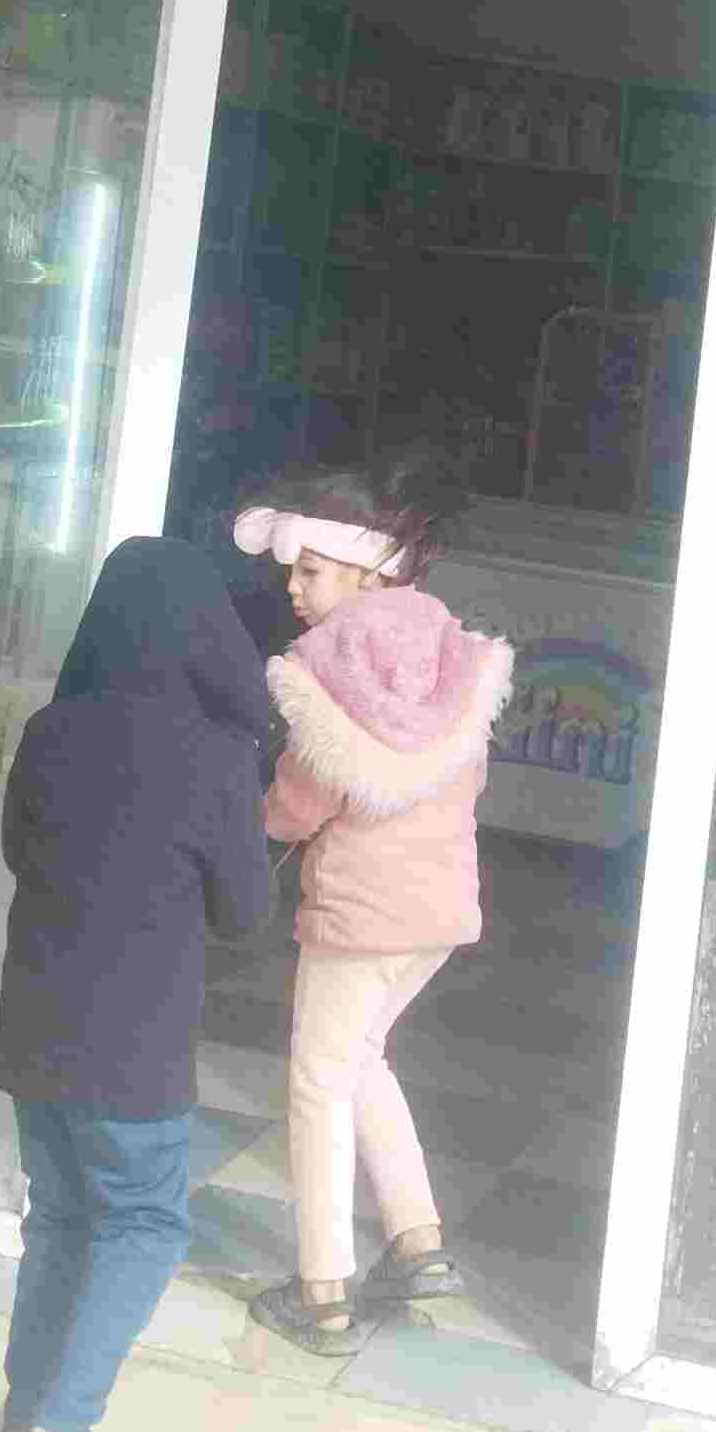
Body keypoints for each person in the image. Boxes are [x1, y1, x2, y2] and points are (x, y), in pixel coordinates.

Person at [0, 536, 274, 1432]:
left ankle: (22, 1413)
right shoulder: (213, 756)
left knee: (62, 1215)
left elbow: (18, 851)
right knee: (145, 1222)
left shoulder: (51, 732)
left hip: (34, 1028)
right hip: (134, 1044)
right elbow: (246, 914)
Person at [231, 467, 514, 1357]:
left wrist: (254, 822)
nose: (294, 588)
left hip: (362, 911)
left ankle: (322, 1293)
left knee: (317, 1082)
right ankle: (418, 1244)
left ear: (363, 571)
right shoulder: (456, 657)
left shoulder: (327, 669)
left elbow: (299, 804)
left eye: (309, 570)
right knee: (361, 1058)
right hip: (440, 906)